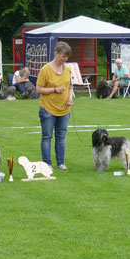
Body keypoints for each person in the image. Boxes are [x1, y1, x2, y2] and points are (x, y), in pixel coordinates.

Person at [36, 41, 74, 170]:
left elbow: (70, 87)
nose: (65, 59)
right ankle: (47, 164)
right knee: (47, 137)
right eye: (63, 56)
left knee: (61, 137)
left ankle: (61, 163)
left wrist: (70, 98)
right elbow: (39, 89)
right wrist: (54, 89)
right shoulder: (45, 69)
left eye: (67, 57)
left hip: (64, 109)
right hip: (48, 109)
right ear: (56, 53)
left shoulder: (67, 69)